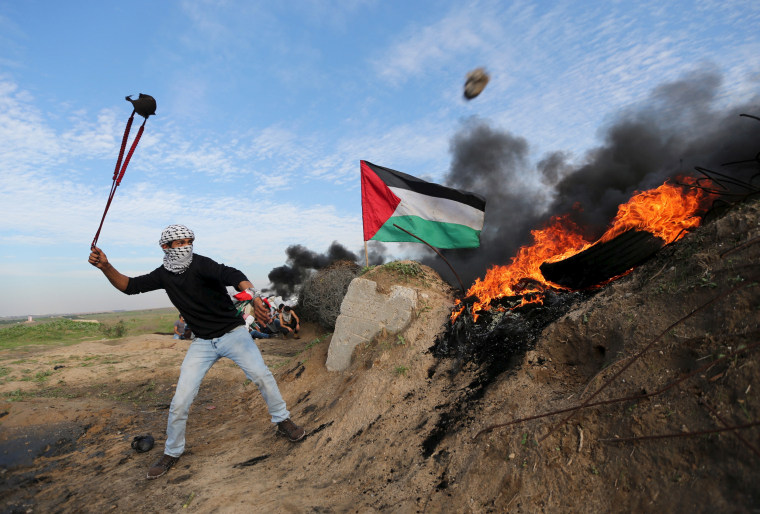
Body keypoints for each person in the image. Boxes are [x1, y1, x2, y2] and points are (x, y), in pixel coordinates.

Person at [88, 224, 305, 480]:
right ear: (165, 247)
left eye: (189, 241)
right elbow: (130, 286)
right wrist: (105, 267)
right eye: (179, 242)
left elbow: (232, 275)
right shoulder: (163, 275)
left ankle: (283, 421)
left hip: (233, 334)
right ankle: (173, 451)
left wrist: (254, 296)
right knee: (180, 401)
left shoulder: (202, 264)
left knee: (262, 376)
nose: (185, 246)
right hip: (202, 343)